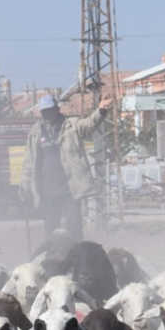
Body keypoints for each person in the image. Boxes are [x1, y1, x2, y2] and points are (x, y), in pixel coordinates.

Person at [23, 93, 104, 240]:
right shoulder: (35, 132)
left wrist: (101, 110)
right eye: (44, 111)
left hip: (70, 188)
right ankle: (53, 259)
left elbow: (89, 124)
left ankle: (78, 257)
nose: (47, 114)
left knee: (74, 226)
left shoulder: (71, 125)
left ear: (56, 109)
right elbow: (29, 162)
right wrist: (25, 186)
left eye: (49, 110)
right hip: (47, 190)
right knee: (51, 229)